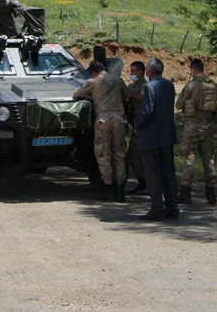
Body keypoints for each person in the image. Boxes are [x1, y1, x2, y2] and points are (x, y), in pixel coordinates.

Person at [73, 60, 129, 202]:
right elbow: (126, 95)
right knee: (120, 154)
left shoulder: (92, 81)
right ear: (104, 68)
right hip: (119, 120)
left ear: (93, 72)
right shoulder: (118, 80)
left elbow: (76, 95)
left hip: (103, 120)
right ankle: (120, 191)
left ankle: (108, 189)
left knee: (103, 153)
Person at [134, 57, 178, 220]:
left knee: (152, 174)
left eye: (146, 69)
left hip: (151, 137)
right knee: (168, 172)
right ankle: (173, 208)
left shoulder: (149, 87)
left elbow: (147, 111)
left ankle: (157, 209)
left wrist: (137, 125)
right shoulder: (169, 85)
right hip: (167, 135)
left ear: (150, 71)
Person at [175, 58, 217, 204]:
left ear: (192, 69)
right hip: (208, 126)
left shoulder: (192, 84)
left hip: (192, 125)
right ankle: (211, 193)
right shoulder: (213, 85)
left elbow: (179, 104)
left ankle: (185, 193)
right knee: (208, 158)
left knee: (189, 157)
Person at [124, 60, 147, 194]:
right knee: (133, 156)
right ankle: (142, 183)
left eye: (133, 71)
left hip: (143, 125)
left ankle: (145, 183)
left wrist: (131, 95)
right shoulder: (132, 86)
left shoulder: (146, 86)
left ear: (141, 72)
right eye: (130, 71)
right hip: (135, 125)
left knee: (137, 155)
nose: (131, 74)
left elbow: (143, 98)